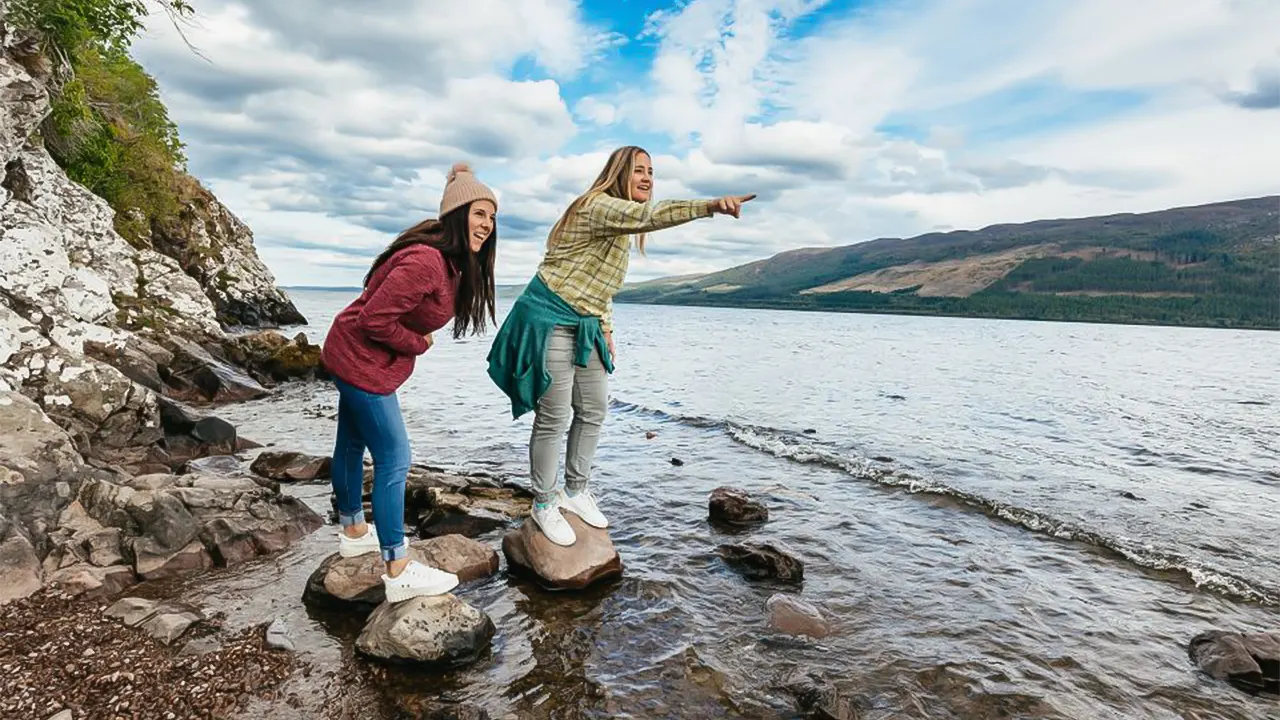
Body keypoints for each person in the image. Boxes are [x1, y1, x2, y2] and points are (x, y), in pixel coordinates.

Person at [486, 145, 754, 546]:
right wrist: (710, 206)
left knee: (593, 409)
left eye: (651, 171)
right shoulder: (599, 206)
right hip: (551, 316)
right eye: (639, 170)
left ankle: (574, 492)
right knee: (554, 416)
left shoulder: (619, 228)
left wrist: (606, 328)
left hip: (588, 323)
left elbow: (602, 287)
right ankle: (543, 502)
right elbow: (649, 215)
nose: (647, 178)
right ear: (618, 173)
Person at [320, 163, 499, 602]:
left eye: (492, 217)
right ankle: (398, 568)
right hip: (361, 360)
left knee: (349, 444)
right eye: (479, 214)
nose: (487, 225)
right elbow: (374, 319)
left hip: (355, 356)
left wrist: (459, 178)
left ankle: (353, 530)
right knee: (395, 457)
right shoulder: (426, 262)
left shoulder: (448, 260)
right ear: (458, 216)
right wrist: (417, 342)